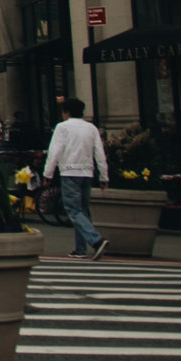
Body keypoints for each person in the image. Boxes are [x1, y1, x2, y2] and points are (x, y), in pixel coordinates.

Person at [43, 97, 109, 259]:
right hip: (87, 172)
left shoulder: (62, 127)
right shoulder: (91, 128)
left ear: (67, 112)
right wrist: (104, 175)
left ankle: (96, 240)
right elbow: (99, 153)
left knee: (73, 210)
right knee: (83, 211)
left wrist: (48, 174)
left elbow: (55, 151)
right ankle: (80, 248)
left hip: (69, 171)